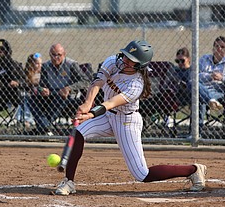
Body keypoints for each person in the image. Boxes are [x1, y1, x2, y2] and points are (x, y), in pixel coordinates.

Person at [54, 40, 207, 196]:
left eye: (130, 60)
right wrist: (88, 103)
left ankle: (193, 170)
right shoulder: (112, 61)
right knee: (79, 132)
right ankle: (69, 181)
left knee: (142, 174)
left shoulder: (136, 84)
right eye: (125, 56)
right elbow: (98, 81)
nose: (125, 61)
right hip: (108, 117)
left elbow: (111, 103)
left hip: (126, 121)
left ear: (139, 65)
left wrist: (91, 113)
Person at [29, 43, 90, 135]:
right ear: (50, 55)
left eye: (59, 55)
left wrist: (69, 88)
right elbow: (42, 85)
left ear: (64, 54)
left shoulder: (71, 64)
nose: (56, 57)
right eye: (53, 55)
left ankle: (42, 128)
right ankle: (45, 128)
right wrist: (42, 90)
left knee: (60, 98)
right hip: (50, 95)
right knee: (31, 99)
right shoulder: (46, 66)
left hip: (68, 97)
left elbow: (86, 81)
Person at [197, 36, 225, 130]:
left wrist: (222, 78)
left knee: (198, 97)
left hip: (218, 92)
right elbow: (195, 74)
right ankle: (210, 100)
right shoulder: (204, 58)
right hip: (201, 88)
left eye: (222, 47)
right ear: (213, 48)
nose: (219, 49)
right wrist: (210, 76)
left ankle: (195, 132)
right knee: (193, 84)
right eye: (216, 46)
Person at [15, 53, 49, 130]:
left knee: (29, 99)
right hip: (30, 95)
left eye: (41, 63)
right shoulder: (26, 74)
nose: (40, 65)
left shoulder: (43, 74)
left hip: (41, 97)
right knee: (26, 98)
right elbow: (25, 84)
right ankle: (25, 120)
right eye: (37, 63)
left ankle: (26, 120)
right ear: (31, 64)